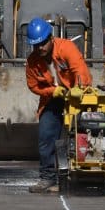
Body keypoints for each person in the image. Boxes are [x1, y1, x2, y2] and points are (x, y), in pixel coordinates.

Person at [24, 17, 92, 194]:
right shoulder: (33, 62)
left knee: (82, 134)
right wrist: (51, 92)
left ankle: (85, 174)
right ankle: (47, 178)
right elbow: (33, 85)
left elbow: (80, 70)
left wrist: (79, 88)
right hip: (52, 100)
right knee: (46, 136)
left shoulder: (66, 48)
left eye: (42, 44)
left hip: (77, 96)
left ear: (50, 38)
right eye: (35, 45)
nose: (39, 48)